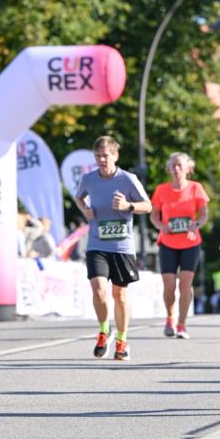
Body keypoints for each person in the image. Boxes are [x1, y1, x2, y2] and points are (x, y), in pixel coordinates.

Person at [75, 136, 151, 360]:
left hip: (122, 246)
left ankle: (122, 340)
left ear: (115, 156)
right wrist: (85, 210)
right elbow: (79, 197)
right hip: (97, 243)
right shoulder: (88, 179)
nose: (101, 160)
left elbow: (147, 205)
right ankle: (103, 331)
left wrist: (128, 205)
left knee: (120, 295)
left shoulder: (128, 179)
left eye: (105, 156)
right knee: (98, 290)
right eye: (98, 156)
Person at [150, 152, 209, 340]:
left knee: (185, 284)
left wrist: (196, 225)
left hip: (191, 243)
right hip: (167, 242)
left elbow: (204, 215)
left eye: (180, 166)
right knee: (169, 286)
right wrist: (161, 226)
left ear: (188, 169)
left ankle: (182, 325)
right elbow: (153, 215)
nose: (176, 169)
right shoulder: (161, 190)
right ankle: (170, 318)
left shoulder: (196, 188)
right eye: (173, 165)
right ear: (169, 168)